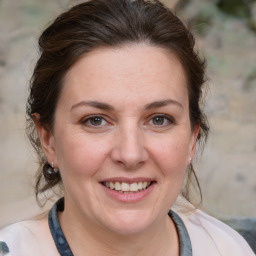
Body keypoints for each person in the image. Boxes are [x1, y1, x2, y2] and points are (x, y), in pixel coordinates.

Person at [0, 0, 254, 255]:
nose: (131, 155)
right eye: (95, 120)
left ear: (191, 138)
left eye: (159, 119)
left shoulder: (230, 249)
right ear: (48, 139)